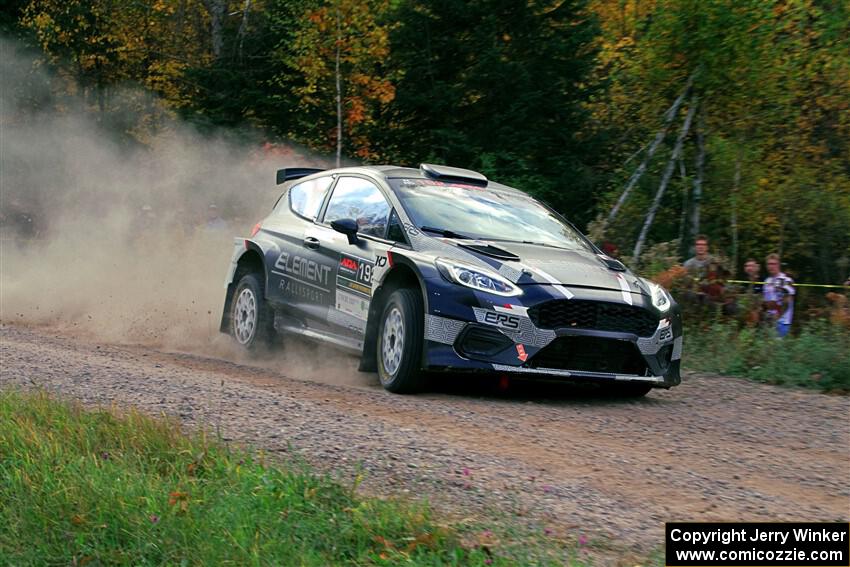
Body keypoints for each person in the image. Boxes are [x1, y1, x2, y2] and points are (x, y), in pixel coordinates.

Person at [763, 253, 795, 337]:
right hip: (769, 321)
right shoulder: (767, 281)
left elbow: (788, 301)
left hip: (782, 322)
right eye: (769, 264)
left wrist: (777, 316)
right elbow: (767, 302)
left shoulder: (786, 280)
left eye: (774, 264)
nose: (771, 266)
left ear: (779, 265)